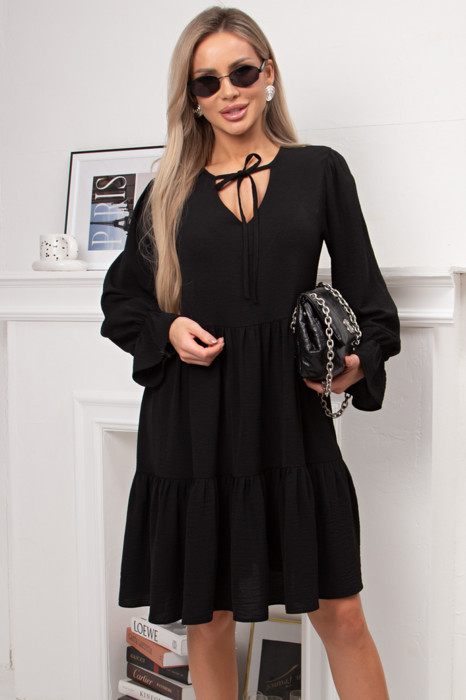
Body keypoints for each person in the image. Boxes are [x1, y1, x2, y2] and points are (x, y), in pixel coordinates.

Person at [101, 7, 400, 699]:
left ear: (268, 74)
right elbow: (124, 300)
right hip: (191, 422)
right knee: (208, 621)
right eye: (207, 82)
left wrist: (355, 365)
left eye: (241, 73)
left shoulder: (320, 171)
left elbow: (371, 303)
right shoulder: (167, 188)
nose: (228, 92)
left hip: (288, 420)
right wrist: (170, 331)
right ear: (192, 97)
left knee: (342, 615)